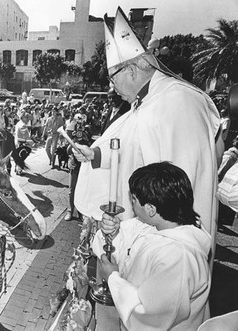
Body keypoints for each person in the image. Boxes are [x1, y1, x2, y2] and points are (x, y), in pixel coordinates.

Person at [73, 8, 221, 250]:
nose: (112, 87)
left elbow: (179, 182)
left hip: (170, 238)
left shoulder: (177, 101)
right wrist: (95, 155)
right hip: (147, 225)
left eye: (112, 78)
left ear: (131, 70)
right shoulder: (146, 102)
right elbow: (130, 149)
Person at [92, 162, 211, 330]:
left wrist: (113, 277)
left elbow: (150, 317)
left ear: (150, 209)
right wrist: (114, 233)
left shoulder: (178, 258)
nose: (131, 204)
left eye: (133, 199)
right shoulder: (164, 224)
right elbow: (130, 248)